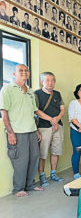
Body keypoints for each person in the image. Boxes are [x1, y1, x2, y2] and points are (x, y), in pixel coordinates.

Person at [0, 64, 43, 197]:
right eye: (21, 71)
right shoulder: (7, 89)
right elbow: (4, 112)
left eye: (26, 70)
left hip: (31, 130)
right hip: (17, 131)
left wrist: (36, 130)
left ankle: (30, 184)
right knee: (20, 160)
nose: (24, 72)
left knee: (34, 157)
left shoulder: (30, 91)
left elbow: (32, 113)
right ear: (14, 74)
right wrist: (10, 132)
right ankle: (18, 188)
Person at [34, 72, 65, 187]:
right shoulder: (36, 94)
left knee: (56, 151)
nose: (50, 83)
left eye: (52, 80)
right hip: (43, 127)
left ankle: (53, 173)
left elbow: (62, 109)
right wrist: (52, 120)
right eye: (47, 80)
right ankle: (42, 176)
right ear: (42, 81)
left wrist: (56, 119)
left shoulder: (57, 94)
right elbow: (36, 111)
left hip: (58, 126)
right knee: (42, 153)